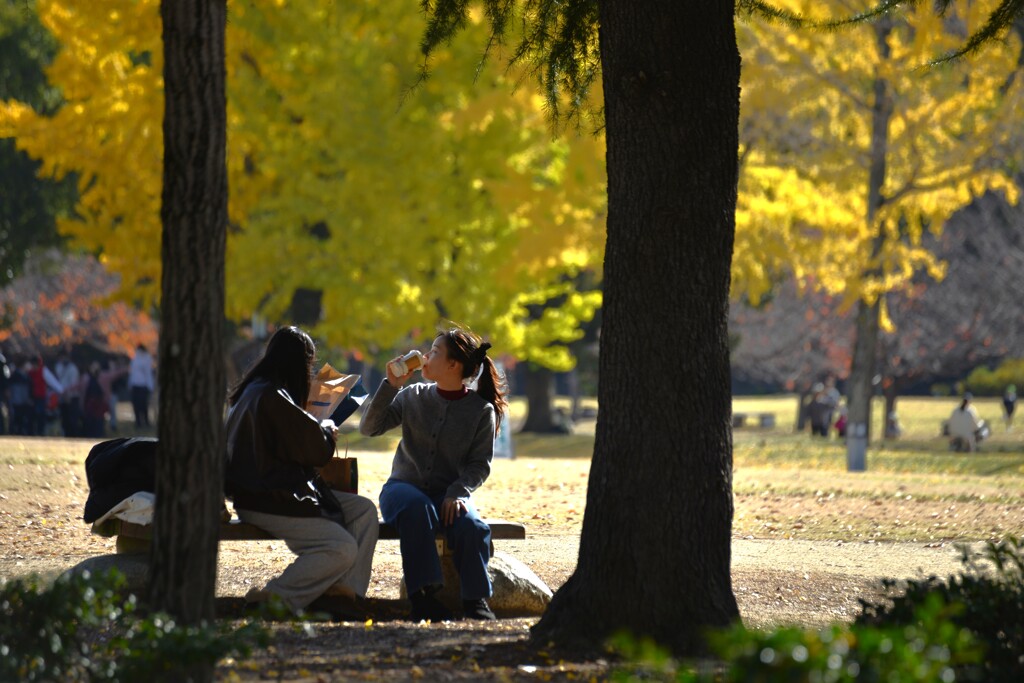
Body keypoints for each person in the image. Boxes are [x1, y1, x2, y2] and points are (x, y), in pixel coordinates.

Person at [224, 326, 378, 614]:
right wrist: (327, 430)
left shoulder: (258, 390)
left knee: (364, 512)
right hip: (268, 498)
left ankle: (344, 594)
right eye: (308, 365)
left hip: (274, 491)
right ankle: (272, 599)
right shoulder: (272, 396)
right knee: (340, 548)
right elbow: (314, 451)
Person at [360, 326, 508, 622]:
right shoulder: (412, 394)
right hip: (402, 489)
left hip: (448, 493)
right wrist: (390, 385)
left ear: (453, 365)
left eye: (435, 352)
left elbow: (479, 465)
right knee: (418, 508)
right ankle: (422, 597)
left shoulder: (481, 411)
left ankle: (476, 601)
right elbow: (369, 427)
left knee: (473, 527)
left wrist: (457, 492)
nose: (425, 356)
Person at [54, 353, 82, 437]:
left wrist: (67, 395)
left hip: (72, 397)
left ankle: (73, 436)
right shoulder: (58, 367)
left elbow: (74, 383)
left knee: (72, 420)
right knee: (64, 419)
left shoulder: (73, 369)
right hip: (62, 397)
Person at [128, 344, 155, 429]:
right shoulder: (135, 359)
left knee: (143, 405)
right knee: (136, 404)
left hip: (143, 385)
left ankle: (145, 421)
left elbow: (148, 373)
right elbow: (132, 373)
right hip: (135, 385)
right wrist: (130, 384)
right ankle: (138, 422)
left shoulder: (147, 359)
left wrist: (150, 386)